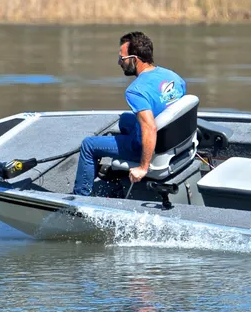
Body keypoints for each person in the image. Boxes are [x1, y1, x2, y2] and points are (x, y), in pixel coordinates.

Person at [72, 31, 187, 196]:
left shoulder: (136, 90)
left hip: (150, 145)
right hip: (172, 139)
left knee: (88, 145)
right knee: (125, 120)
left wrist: (143, 168)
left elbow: (149, 128)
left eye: (122, 58)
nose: (119, 62)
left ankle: (79, 198)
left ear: (135, 59)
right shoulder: (172, 76)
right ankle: (117, 171)